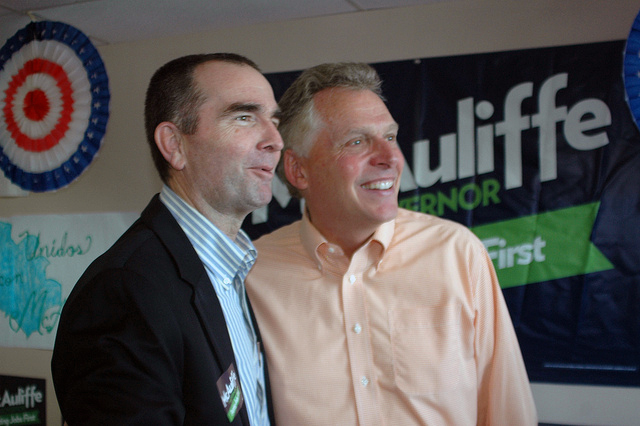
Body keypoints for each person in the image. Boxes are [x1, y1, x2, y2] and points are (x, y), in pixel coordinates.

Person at [245, 62, 538, 425]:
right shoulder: (252, 274)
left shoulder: (456, 253)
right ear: (298, 170)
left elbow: (507, 411)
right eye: (357, 141)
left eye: (390, 137)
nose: (391, 159)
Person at [51, 53, 283, 425]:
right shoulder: (123, 293)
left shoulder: (231, 271)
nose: (275, 140)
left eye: (274, 121)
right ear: (174, 145)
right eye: (244, 117)